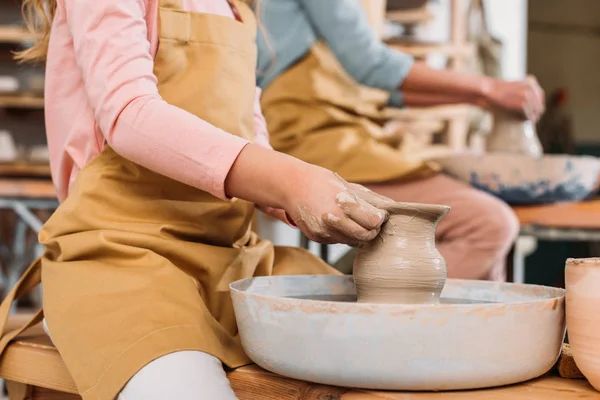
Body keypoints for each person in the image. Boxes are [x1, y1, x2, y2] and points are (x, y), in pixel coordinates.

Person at [0, 1, 393, 399]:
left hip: (231, 257)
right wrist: (289, 179)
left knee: (383, 344)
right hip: (120, 257)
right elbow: (127, 112)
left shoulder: (235, 6)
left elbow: (249, 131)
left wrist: (300, 198)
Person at [255, 0, 546, 282]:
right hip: (311, 137)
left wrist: (482, 99)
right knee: (489, 224)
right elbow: (370, 64)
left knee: (488, 245)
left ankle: (398, 311)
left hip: (339, 132)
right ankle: (372, 321)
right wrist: (488, 88)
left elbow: (388, 90)